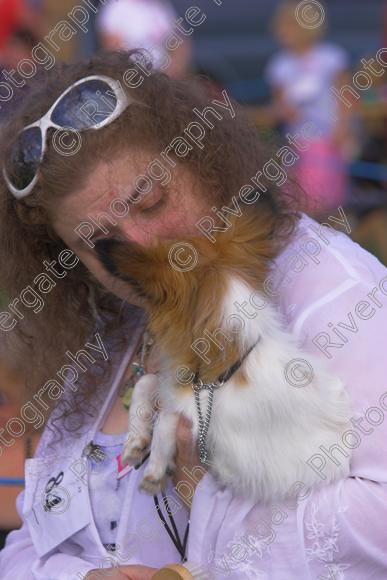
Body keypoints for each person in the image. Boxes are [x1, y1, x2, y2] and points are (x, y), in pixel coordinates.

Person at [0, 50, 386, 580]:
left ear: (204, 163)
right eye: (99, 243)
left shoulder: (335, 291)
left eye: (151, 200)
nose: (140, 244)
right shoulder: (115, 325)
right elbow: (28, 543)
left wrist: (204, 499)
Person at [265, 1, 354, 216]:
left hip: (327, 137)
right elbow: (279, 103)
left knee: (325, 189)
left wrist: (342, 125)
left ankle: (326, 225)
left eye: (289, 26)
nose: (282, 32)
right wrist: (285, 111)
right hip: (298, 139)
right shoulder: (280, 65)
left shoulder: (331, 58)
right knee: (298, 189)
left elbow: (345, 95)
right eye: (280, 26)